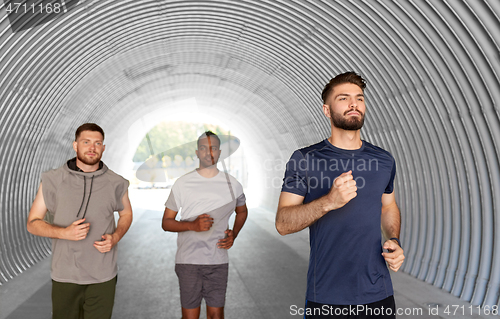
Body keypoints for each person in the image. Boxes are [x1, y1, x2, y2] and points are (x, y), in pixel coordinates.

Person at [276, 72, 405, 318]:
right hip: (326, 295)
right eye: (343, 98)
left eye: (359, 98)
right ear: (327, 110)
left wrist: (394, 241)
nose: (353, 104)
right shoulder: (304, 159)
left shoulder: (383, 159)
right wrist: (328, 202)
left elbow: (388, 206)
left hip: (379, 293)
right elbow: (283, 223)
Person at [27, 123, 132, 319]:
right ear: (75, 145)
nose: (92, 148)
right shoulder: (53, 179)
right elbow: (32, 222)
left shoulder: (116, 183)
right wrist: (63, 233)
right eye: (86, 142)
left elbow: (126, 214)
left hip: (103, 276)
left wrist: (115, 237)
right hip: (65, 275)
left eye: (97, 143)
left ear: (103, 148)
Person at [162, 131, 248, 319]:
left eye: (213, 148)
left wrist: (234, 232)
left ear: (219, 152)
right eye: (204, 148)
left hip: (218, 261)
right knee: (190, 317)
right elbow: (166, 223)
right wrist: (192, 225)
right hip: (188, 262)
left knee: (216, 316)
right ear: (197, 152)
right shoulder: (182, 183)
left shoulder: (233, 184)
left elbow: (242, 211)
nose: (209, 152)